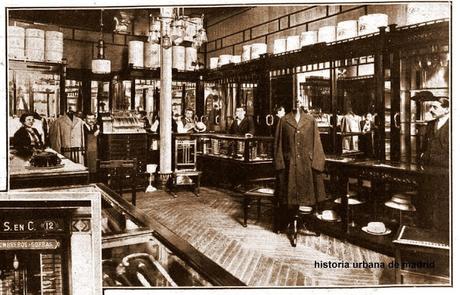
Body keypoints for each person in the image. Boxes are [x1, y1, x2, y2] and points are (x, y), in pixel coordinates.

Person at [274, 99, 327, 221]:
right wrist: (279, 164)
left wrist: (318, 165)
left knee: (307, 195)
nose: (297, 103)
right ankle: (288, 220)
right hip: (289, 166)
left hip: (306, 166)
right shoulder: (283, 121)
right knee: (289, 196)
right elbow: (278, 144)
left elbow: (317, 143)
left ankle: (305, 220)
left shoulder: (310, 120)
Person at [419, 94, 449, 167]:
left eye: (435, 107)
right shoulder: (430, 124)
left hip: (446, 167)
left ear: (447, 109)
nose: (430, 110)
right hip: (428, 164)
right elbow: (425, 145)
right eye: (430, 107)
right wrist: (422, 155)